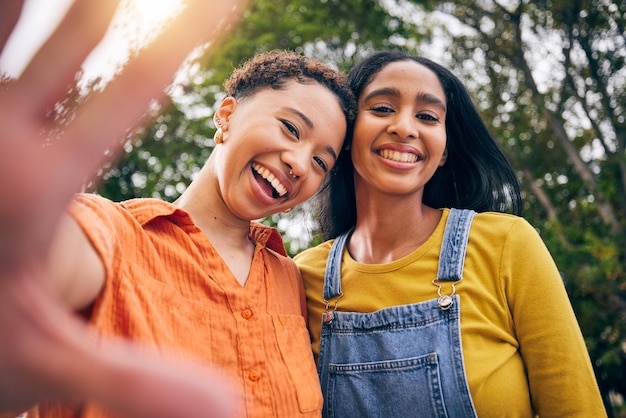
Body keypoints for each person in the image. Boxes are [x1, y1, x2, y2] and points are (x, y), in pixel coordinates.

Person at [0, 1, 357, 418]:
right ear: (226, 115)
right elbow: (41, 264)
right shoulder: (114, 232)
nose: (299, 163)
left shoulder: (292, 280)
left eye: (320, 162)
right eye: (291, 128)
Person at [294, 50, 607, 417]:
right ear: (347, 134)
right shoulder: (302, 277)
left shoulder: (505, 244)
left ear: (443, 151)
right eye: (382, 109)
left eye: (427, 117)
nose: (405, 127)